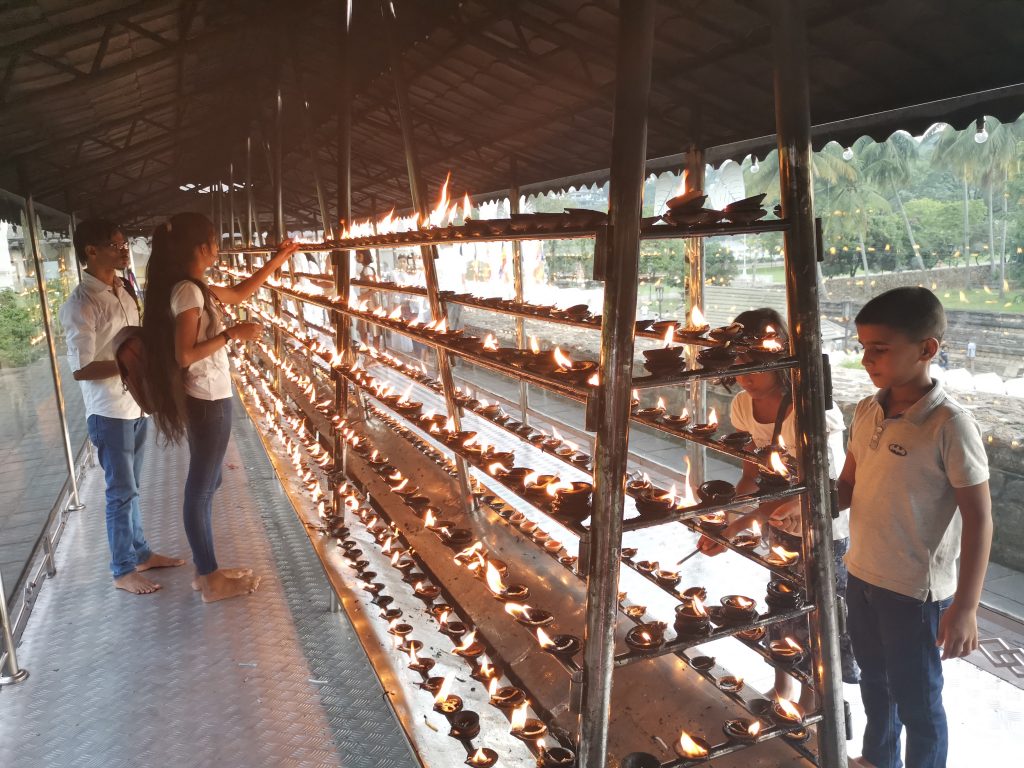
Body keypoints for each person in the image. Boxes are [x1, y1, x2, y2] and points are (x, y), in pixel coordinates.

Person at [842, 287, 991, 768]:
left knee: (919, 702)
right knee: (874, 683)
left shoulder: (949, 424)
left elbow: (980, 517)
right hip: (862, 574)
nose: (867, 358)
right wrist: (797, 505)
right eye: (863, 346)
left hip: (914, 594)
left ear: (928, 348)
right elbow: (848, 484)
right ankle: (878, 759)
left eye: (880, 348)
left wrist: (966, 607)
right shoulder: (867, 410)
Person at [697, 308, 859, 708]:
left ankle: (814, 700)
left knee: (816, 614)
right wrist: (727, 521)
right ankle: (784, 687)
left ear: (779, 356)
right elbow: (752, 475)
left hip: (823, 528)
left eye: (754, 364)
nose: (745, 375)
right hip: (781, 523)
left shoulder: (807, 410)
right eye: (738, 364)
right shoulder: (742, 406)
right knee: (782, 603)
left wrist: (748, 521)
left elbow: (822, 487)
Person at [143, 212, 299, 603]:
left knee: (209, 483)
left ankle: (206, 567)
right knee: (200, 488)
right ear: (201, 247)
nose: (218, 247)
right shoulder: (188, 293)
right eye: (214, 240)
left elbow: (240, 293)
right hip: (207, 400)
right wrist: (233, 333)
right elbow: (184, 355)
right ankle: (208, 577)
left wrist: (278, 260)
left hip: (210, 398)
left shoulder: (197, 287)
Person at [58, 219, 184, 595]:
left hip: (135, 406)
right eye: (115, 245)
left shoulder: (125, 290)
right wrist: (133, 364)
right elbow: (81, 369)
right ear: (91, 251)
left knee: (133, 488)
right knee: (119, 491)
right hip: (109, 411)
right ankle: (122, 569)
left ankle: (141, 552)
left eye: (124, 243)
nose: (123, 249)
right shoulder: (82, 304)